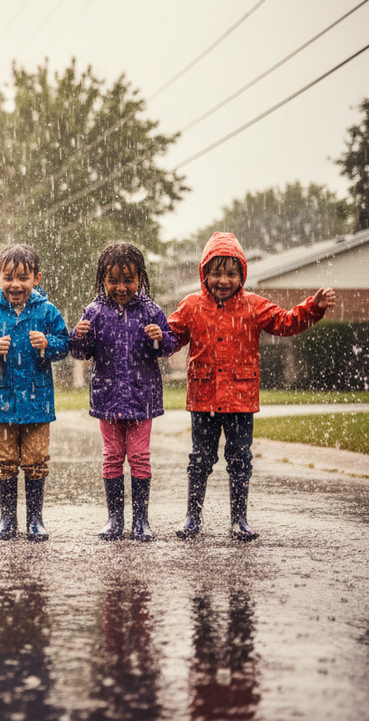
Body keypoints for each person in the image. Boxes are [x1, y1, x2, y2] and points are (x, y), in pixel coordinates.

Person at [168, 232, 335, 541]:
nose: (223, 280)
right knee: (200, 460)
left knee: (240, 460)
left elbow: (285, 322)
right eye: (216, 272)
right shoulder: (192, 306)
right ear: (204, 273)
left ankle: (239, 519)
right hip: (204, 399)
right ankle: (192, 516)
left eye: (231, 273)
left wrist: (313, 308)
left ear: (242, 274)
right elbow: (171, 336)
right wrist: (153, 338)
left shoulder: (253, 306)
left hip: (240, 401)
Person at [70, 243, 177, 542]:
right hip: (108, 397)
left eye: (128, 280)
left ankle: (141, 520)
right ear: (103, 279)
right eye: (113, 280)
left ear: (140, 278)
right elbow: (82, 352)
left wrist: (160, 338)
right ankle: (115, 519)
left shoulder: (151, 311)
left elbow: (169, 346)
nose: (120, 287)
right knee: (113, 456)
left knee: (140, 457)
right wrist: (77, 337)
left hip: (142, 397)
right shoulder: (94, 311)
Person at [0, 244, 69, 542]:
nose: (16, 284)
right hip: (1, 402)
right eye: (9, 277)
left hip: (37, 401)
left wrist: (48, 343)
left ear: (36, 279)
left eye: (23, 278)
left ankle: (35, 519)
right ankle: (7, 518)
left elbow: (66, 343)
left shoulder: (47, 311)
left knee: (37, 459)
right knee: (5, 459)